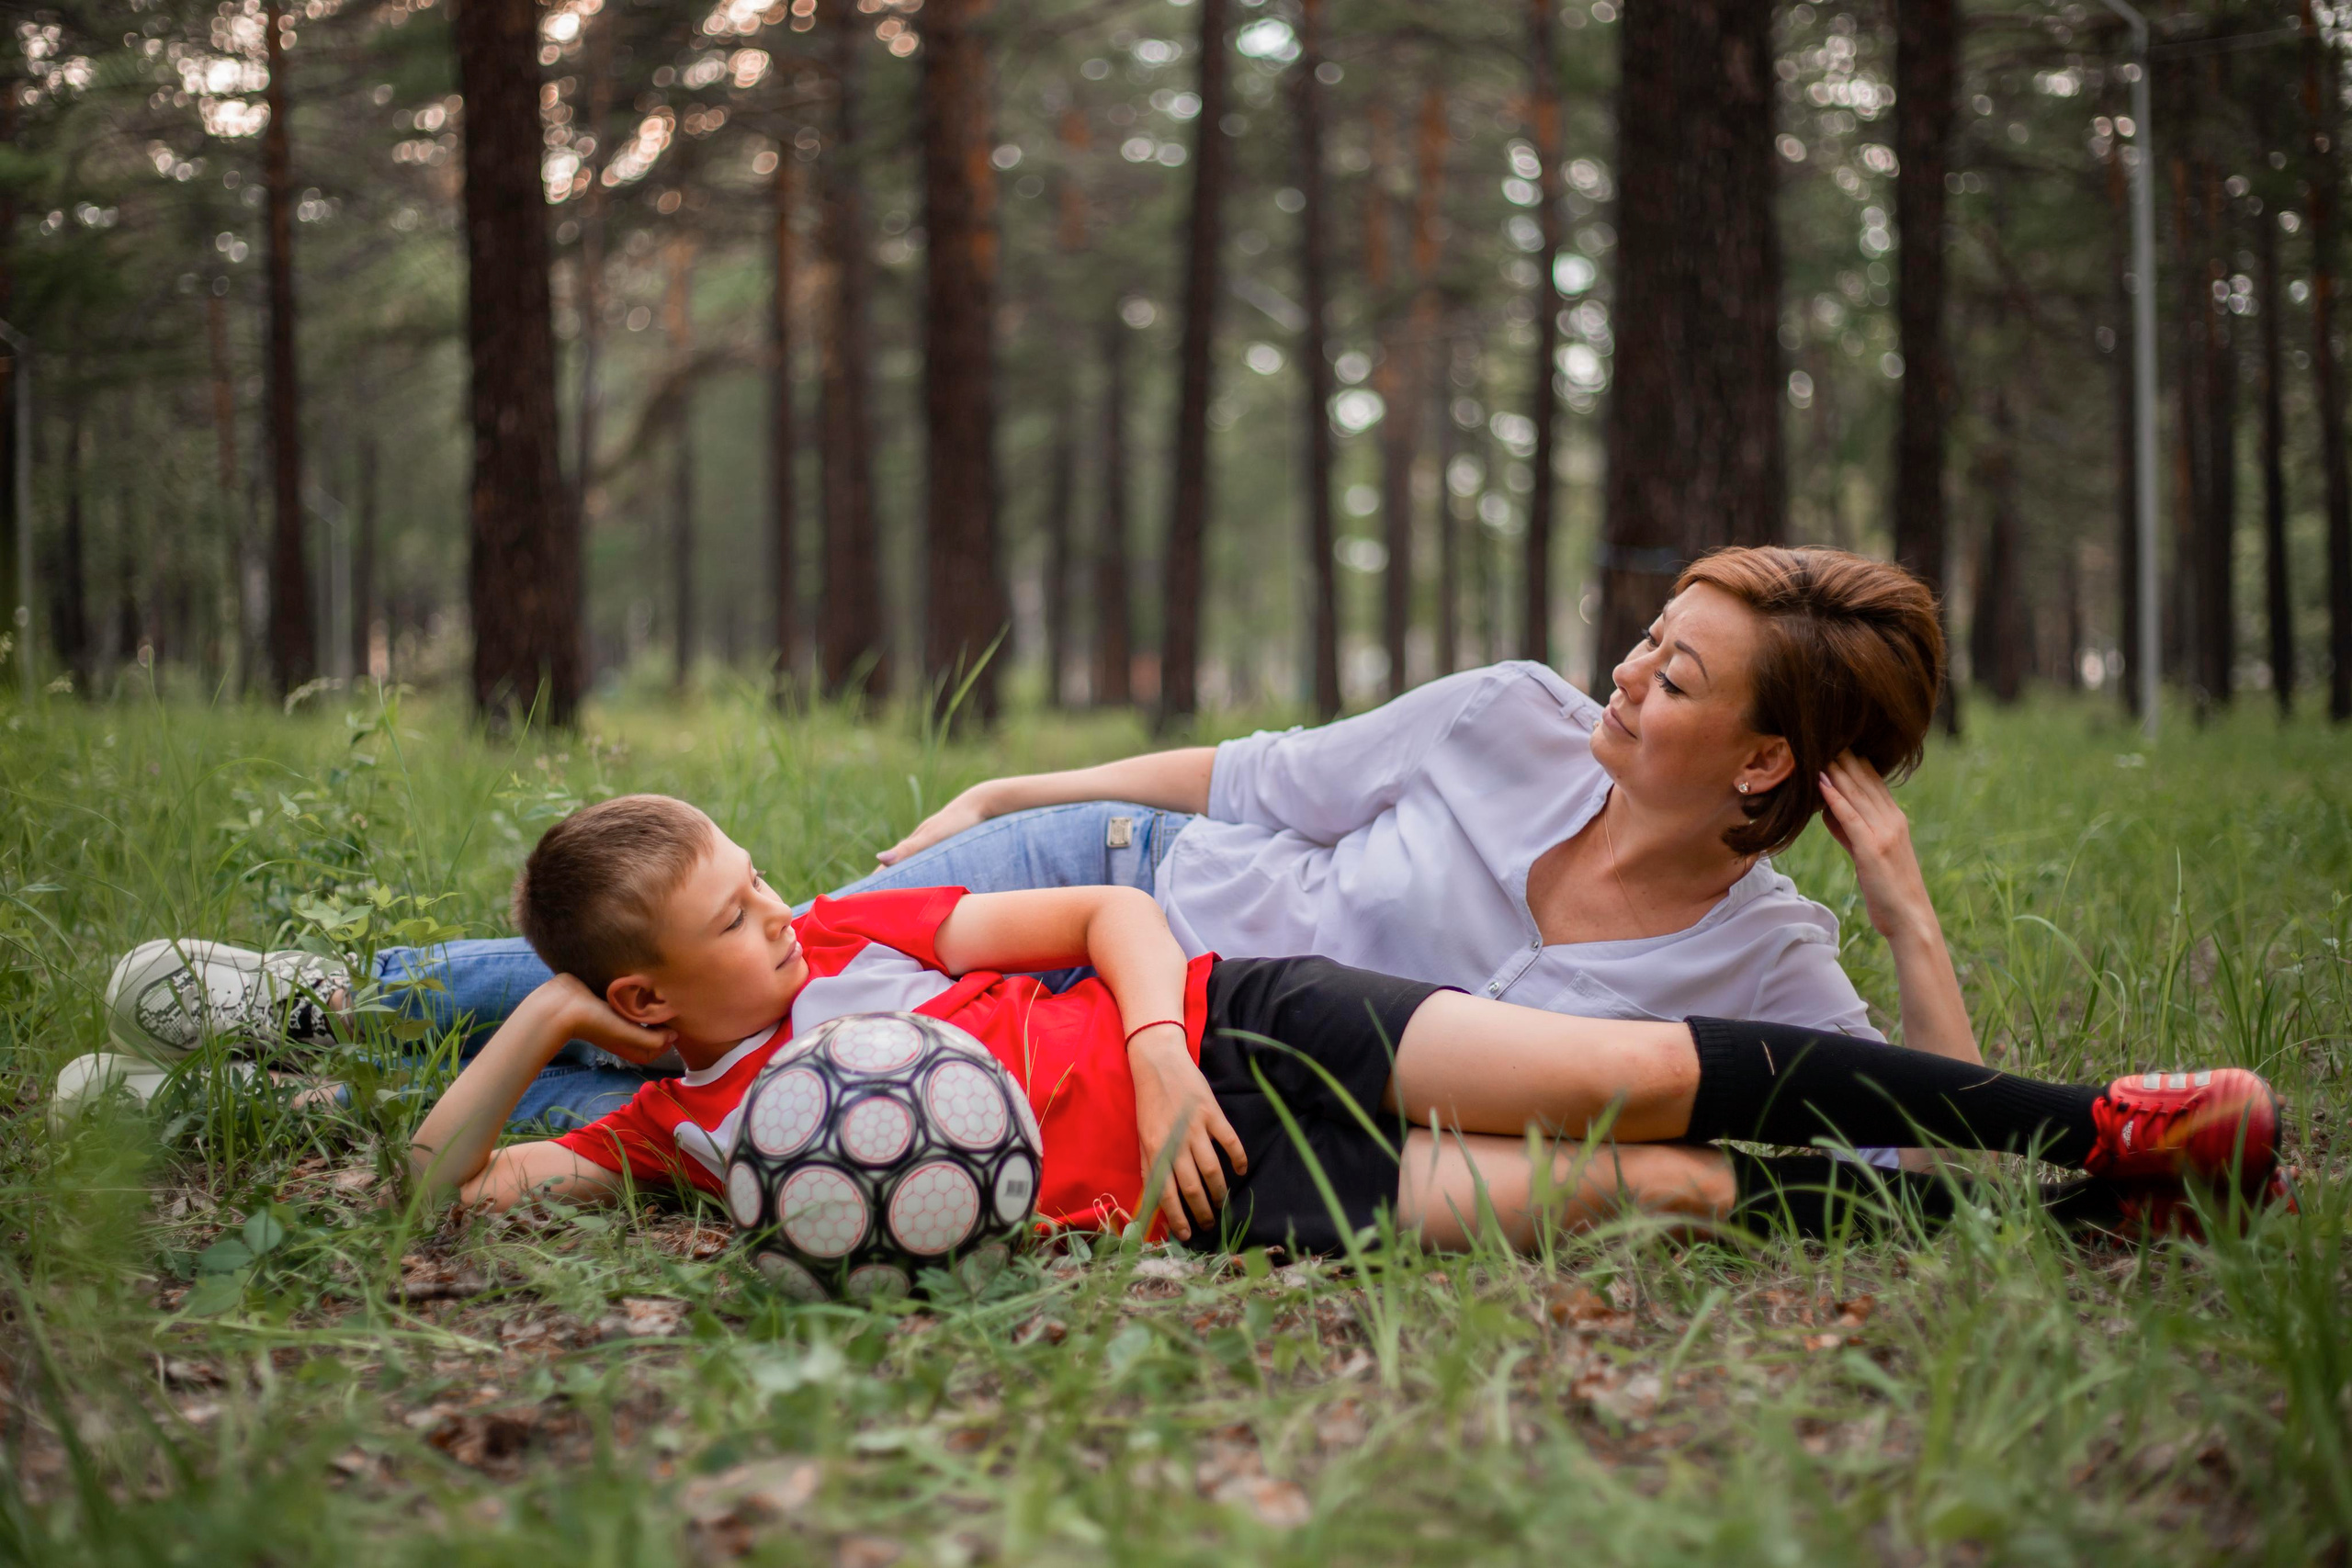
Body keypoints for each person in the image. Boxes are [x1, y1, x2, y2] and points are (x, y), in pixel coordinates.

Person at [85, 547, 1972, 1153]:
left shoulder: (1760, 957)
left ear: (1767, 760)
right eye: (1645, 637)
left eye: (1675, 675)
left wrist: (1902, 913)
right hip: (1115, 886)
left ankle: (287, 1098)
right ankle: (312, 1009)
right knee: (745, 981)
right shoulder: (1506, 719)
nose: (1624, 673)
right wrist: (1008, 796)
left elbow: (1934, 1142)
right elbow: (1255, 776)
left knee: (748, 1090)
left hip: (1211, 1031)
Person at [411, 795, 2286, 1257]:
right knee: (1650, 1186)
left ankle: (2093, 1120)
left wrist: (1159, 1053)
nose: (779, 912)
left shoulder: (847, 933)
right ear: (644, 998)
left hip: (1238, 1032)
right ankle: (2081, 1221)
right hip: (1228, 1200)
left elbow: (1109, 911)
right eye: (734, 918)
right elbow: (436, 1194)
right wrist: (539, 1023)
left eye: (759, 882)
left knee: (1623, 1076)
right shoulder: (676, 1130)